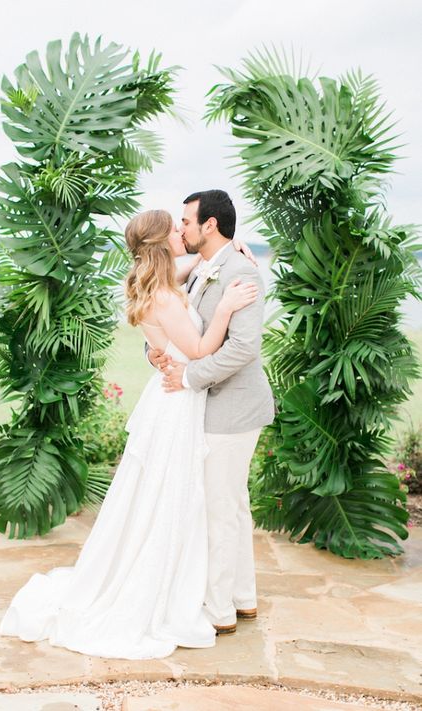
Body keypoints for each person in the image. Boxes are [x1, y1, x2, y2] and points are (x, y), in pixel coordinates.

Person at [0, 208, 258, 660]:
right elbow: (197, 348)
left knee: (174, 494)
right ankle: (164, 586)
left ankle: (196, 581)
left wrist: (232, 251)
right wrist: (228, 309)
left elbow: (198, 267)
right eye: (177, 230)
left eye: (185, 225)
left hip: (172, 398)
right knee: (173, 496)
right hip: (177, 402)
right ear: (162, 243)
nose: (183, 232)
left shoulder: (158, 276)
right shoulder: (161, 292)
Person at [148, 190, 275, 635]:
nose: (180, 228)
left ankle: (218, 610)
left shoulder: (240, 273)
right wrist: (157, 351)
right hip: (217, 406)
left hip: (233, 407)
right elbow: (172, 318)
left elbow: (243, 347)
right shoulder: (203, 267)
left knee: (220, 509)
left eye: (186, 220)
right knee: (233, 505)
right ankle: (242, 598)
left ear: (210, 225)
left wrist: (187, 378)